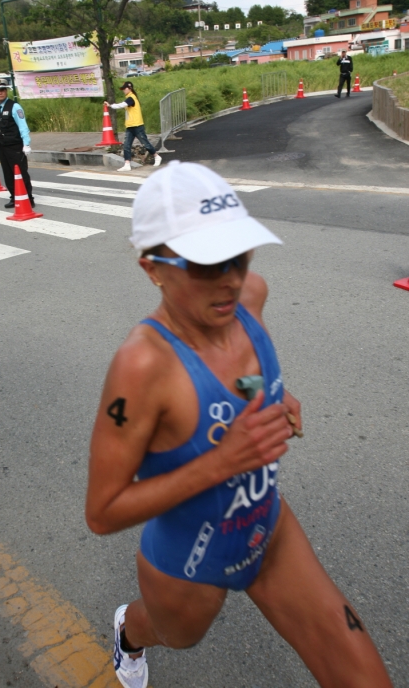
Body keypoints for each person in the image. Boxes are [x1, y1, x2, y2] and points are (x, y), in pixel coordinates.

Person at [85, 161, 393, 688]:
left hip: (266, 524)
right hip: (189, 556)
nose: (229, 279)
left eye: (239, 254)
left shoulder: (249, 296)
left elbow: (244, 369)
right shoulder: (142, 367)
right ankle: (127, 631)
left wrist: (271, 392)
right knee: (176, 635)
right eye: (206, 264)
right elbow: (102, 512)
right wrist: (221, 462)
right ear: (152, 269)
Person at [0, 78, 35, 209]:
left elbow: (23, 127)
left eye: (2, 90)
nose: (0, 93)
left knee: (21, 172)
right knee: (8, 174)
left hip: (15, 146)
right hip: (2, 147)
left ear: (6, 91)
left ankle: (28, 198)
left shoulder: (15, 107)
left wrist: (26, 144)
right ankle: (14, 197)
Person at [105, 81, 162, 172]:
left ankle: (156, 156)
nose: (123, 90)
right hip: (130, 126)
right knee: (126, 146)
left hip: (137, 126)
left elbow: (122, 105)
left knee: (146, 144)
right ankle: (127, 164)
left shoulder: (131, 98)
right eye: (123, 89)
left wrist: (110, 105)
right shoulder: (129, 98)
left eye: (124, 88)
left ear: (129, 88)